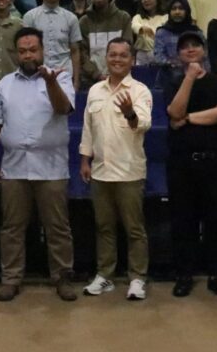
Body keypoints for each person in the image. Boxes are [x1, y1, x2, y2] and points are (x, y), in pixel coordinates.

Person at [0, 28, 76, 302]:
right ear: (16, 53)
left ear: (43, 50)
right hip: (14, 167)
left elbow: (63, 108)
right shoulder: (5, 83)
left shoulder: (61, 77)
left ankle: (62, 278)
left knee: (57, 227)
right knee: (12, 227)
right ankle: (11, 279)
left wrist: (50, 83)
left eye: (33, 50)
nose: (28, 55)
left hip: (51, 167)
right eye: (22, 51)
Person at [79, 38, 152, 301]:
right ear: (106, 57)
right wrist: (85, 160)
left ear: (132, 60)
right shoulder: (95, 91)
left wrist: (130, 112)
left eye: (123, 55)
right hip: (100, 171)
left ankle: (137, 278)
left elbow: (143, 124)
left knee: (134, 229)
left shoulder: (140, 90)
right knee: (104, 227)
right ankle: (105, 275)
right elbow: (88, 129)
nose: (117, 59)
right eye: (113, 54)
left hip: (129, 172)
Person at [166, 32, 217, 297]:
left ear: (204, 50)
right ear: (178, 55)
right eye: (184, 47)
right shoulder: (174, 82)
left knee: (215, 220)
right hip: (181, 163)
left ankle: (216, 275)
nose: (190, 50)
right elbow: (174, 112)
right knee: (183, 221)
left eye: (195, 45)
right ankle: (184, 275)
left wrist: (188, 118)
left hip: (213, 161)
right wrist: (190, 78)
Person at [23, 0, 83, 89]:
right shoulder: (30, 17)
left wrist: (76, 81)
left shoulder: (71, 18)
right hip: (37, 75)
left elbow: (75, 51)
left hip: (64, 75)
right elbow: (26, 49)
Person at [79, 0, 134, 87]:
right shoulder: (84, 21)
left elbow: (128, 49)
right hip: (91, 80)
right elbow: (82, 54)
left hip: (120, 78)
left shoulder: (123, 18)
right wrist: (97, 74)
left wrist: (115, 73)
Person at [153, 0, 202, 75]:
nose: (177, 12)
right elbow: (158, 56)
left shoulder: (196, 32)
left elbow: (204, 56)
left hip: (195, 74)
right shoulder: (162, 33)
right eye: (173, 9)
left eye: (181, 8)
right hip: (169, 76)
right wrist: (174, 64)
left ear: (187, 11)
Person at [131, 0, 167, 65]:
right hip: (141, 55)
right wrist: (143, 29)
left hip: (159, 54)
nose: (146, 0)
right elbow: (134, 26)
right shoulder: (138, 17)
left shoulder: (166, 17)